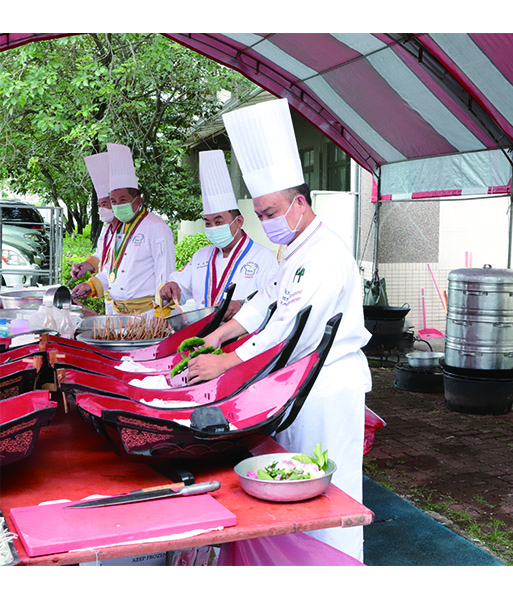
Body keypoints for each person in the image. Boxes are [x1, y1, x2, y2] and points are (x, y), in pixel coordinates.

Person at [186, 98, 372, 561]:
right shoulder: (292, 252)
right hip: (295, 381)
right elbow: (262, 303)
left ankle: (339, 568)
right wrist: (218, 335)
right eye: (261, 214)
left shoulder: (325, 255)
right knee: (291, 486)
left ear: (299, 203)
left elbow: (291, 330)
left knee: (332, 492)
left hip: (328, 384)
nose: (266, 223)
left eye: (270, 213)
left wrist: (227, 361)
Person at [157, 150, 278, 321]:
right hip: (199, 337)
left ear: (239, 221)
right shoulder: (201, 256)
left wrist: (243, 306)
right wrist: (171, 287)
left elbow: (273, 303)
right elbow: (179, 288)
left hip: (239, 339)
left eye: (219, 222)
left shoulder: (263, 258)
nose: (213, 227)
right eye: (208, 223)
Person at [71, 143, 176, 317]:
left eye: (123, 199)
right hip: (116, 314)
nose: (118, 206)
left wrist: (162, 316)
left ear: (138, 200)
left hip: (147, 317)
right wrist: (90, 286)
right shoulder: (118, 229)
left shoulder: (156, 227)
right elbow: (110, 270)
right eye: (113, 201)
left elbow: (165, 275)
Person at [70, 151, 119, 315]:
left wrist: (91, 285)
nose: (102, 209)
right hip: (112, 301)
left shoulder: (137, 231)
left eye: (106, 203)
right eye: (99, 205)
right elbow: (102, 256)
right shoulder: (107, 230)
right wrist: (86, 266)